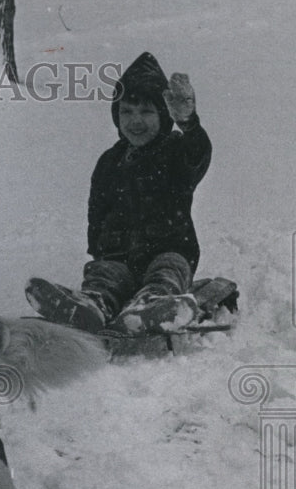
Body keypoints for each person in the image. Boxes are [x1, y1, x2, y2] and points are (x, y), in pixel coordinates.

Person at [27, 51, 212, 333]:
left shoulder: (175, 151)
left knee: (168, 270)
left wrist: (188, 123)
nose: (135, 121)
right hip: (119, 256)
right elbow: (97, 210)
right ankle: (91, 306)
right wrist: (98, 252)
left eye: (147, 112)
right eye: (127, 111)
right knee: (104, 276)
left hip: (169, 248)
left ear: (164, 115)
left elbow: (198, 153)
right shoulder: (109, 161)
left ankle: (154, 305)